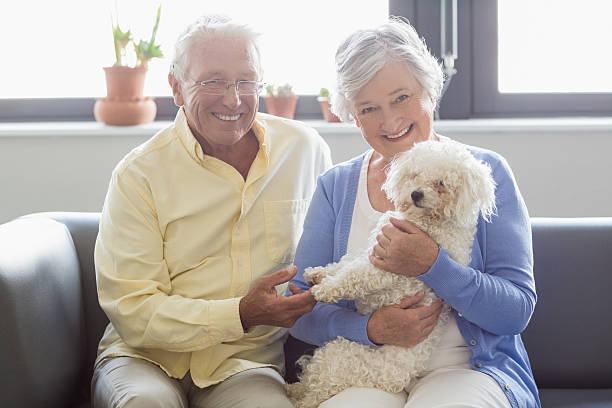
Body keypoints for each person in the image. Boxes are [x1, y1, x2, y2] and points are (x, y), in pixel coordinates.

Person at [288, 17, 541, 408]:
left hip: (467, 370)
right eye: (369, 108)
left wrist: (433, 265)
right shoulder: (336, 187)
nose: (389, 121)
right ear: (353, 116)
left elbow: (515, 310)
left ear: (429, 90)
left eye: (401, 98)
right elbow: (298, 306)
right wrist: (368, 327)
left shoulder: (484, 176)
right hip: (366, 365)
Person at [91, 14, 332, 408]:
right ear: (177, 88)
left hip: (245, 363)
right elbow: (134, 310)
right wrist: (240, 312)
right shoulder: (138, 175)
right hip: (145, 359)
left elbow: (335, 253)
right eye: (213, 81)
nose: (233, 98)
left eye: (246, 81)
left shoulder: (305, 150)